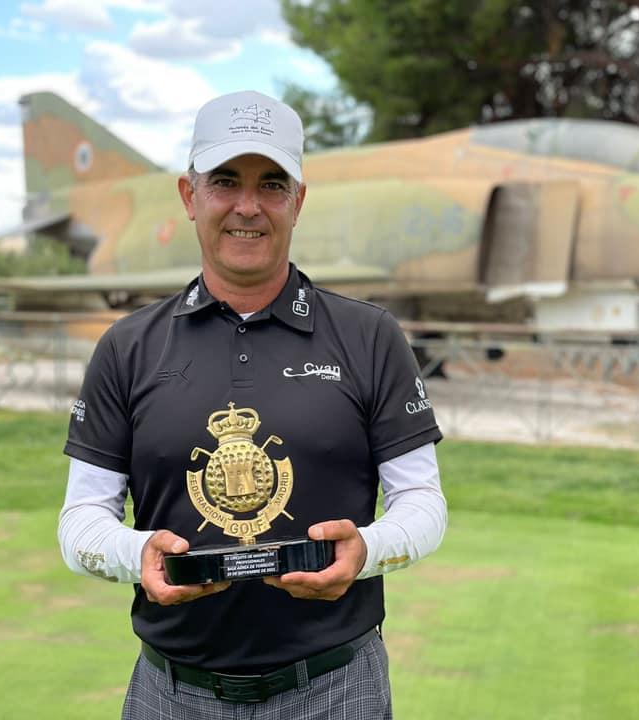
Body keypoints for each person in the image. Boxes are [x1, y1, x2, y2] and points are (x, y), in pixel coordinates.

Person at [58, 90, 447, 719]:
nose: (247, 206)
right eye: (224, 181)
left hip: (335, 688)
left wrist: (366, 551)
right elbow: (80, 522)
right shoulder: (127, 347)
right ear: (190, 196)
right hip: (173, 693)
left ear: (298, 199)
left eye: (271, 183)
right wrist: (138, 556)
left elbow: (423, 504)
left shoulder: (369, 336)